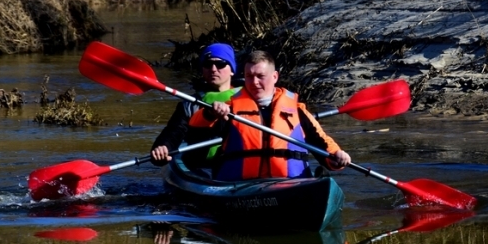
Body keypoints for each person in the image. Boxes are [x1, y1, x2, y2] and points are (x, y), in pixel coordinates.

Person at [189, 50, 351, 180]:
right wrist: (209, 114)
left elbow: (321, 142)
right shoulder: (230, 110)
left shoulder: (297, 110)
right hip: (239, 186)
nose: (254, 82)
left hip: (290, 184)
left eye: (260, 76)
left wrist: (337, 156)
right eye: (249, 77)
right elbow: (195, 136)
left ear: (275, 77)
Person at [150, 43, 240, 166]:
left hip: (236, 164)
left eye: (220, 64)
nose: (213, 69)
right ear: (202, 69)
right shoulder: (190, 104)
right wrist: (163, 147)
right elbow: (174, 132)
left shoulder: (248, 99)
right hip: (200, 166)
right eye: (208, 64)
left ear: (232, 70)